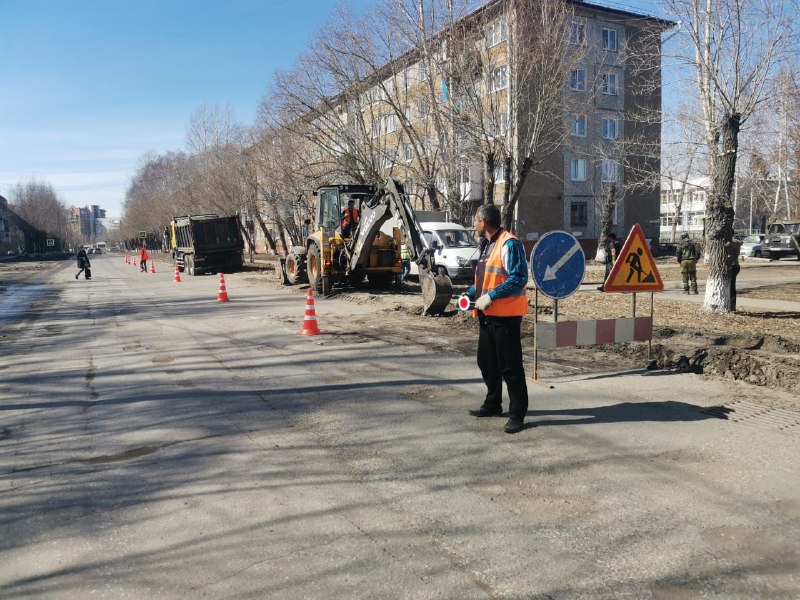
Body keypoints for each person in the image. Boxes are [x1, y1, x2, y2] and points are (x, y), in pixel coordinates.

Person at [465, 204, 529, 434]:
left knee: (510, 368)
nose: (474, 224)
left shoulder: (510, 243)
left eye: (475, 220)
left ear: (483, 222)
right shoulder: (486, 244)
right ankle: (493, 403)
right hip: (487, 315)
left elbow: (519, 278)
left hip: (506, 317)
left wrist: (491, 295)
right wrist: (469, 295)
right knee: (486, 362)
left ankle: (517, 414)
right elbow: (484, 280)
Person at [726, 237, 742, 310]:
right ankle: (731, 305)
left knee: (731, 287)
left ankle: (732, 306)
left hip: (733, 266)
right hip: (733, 266)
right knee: (730, 287)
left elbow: (731, 244)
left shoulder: (735, 242)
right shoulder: (735, 243)